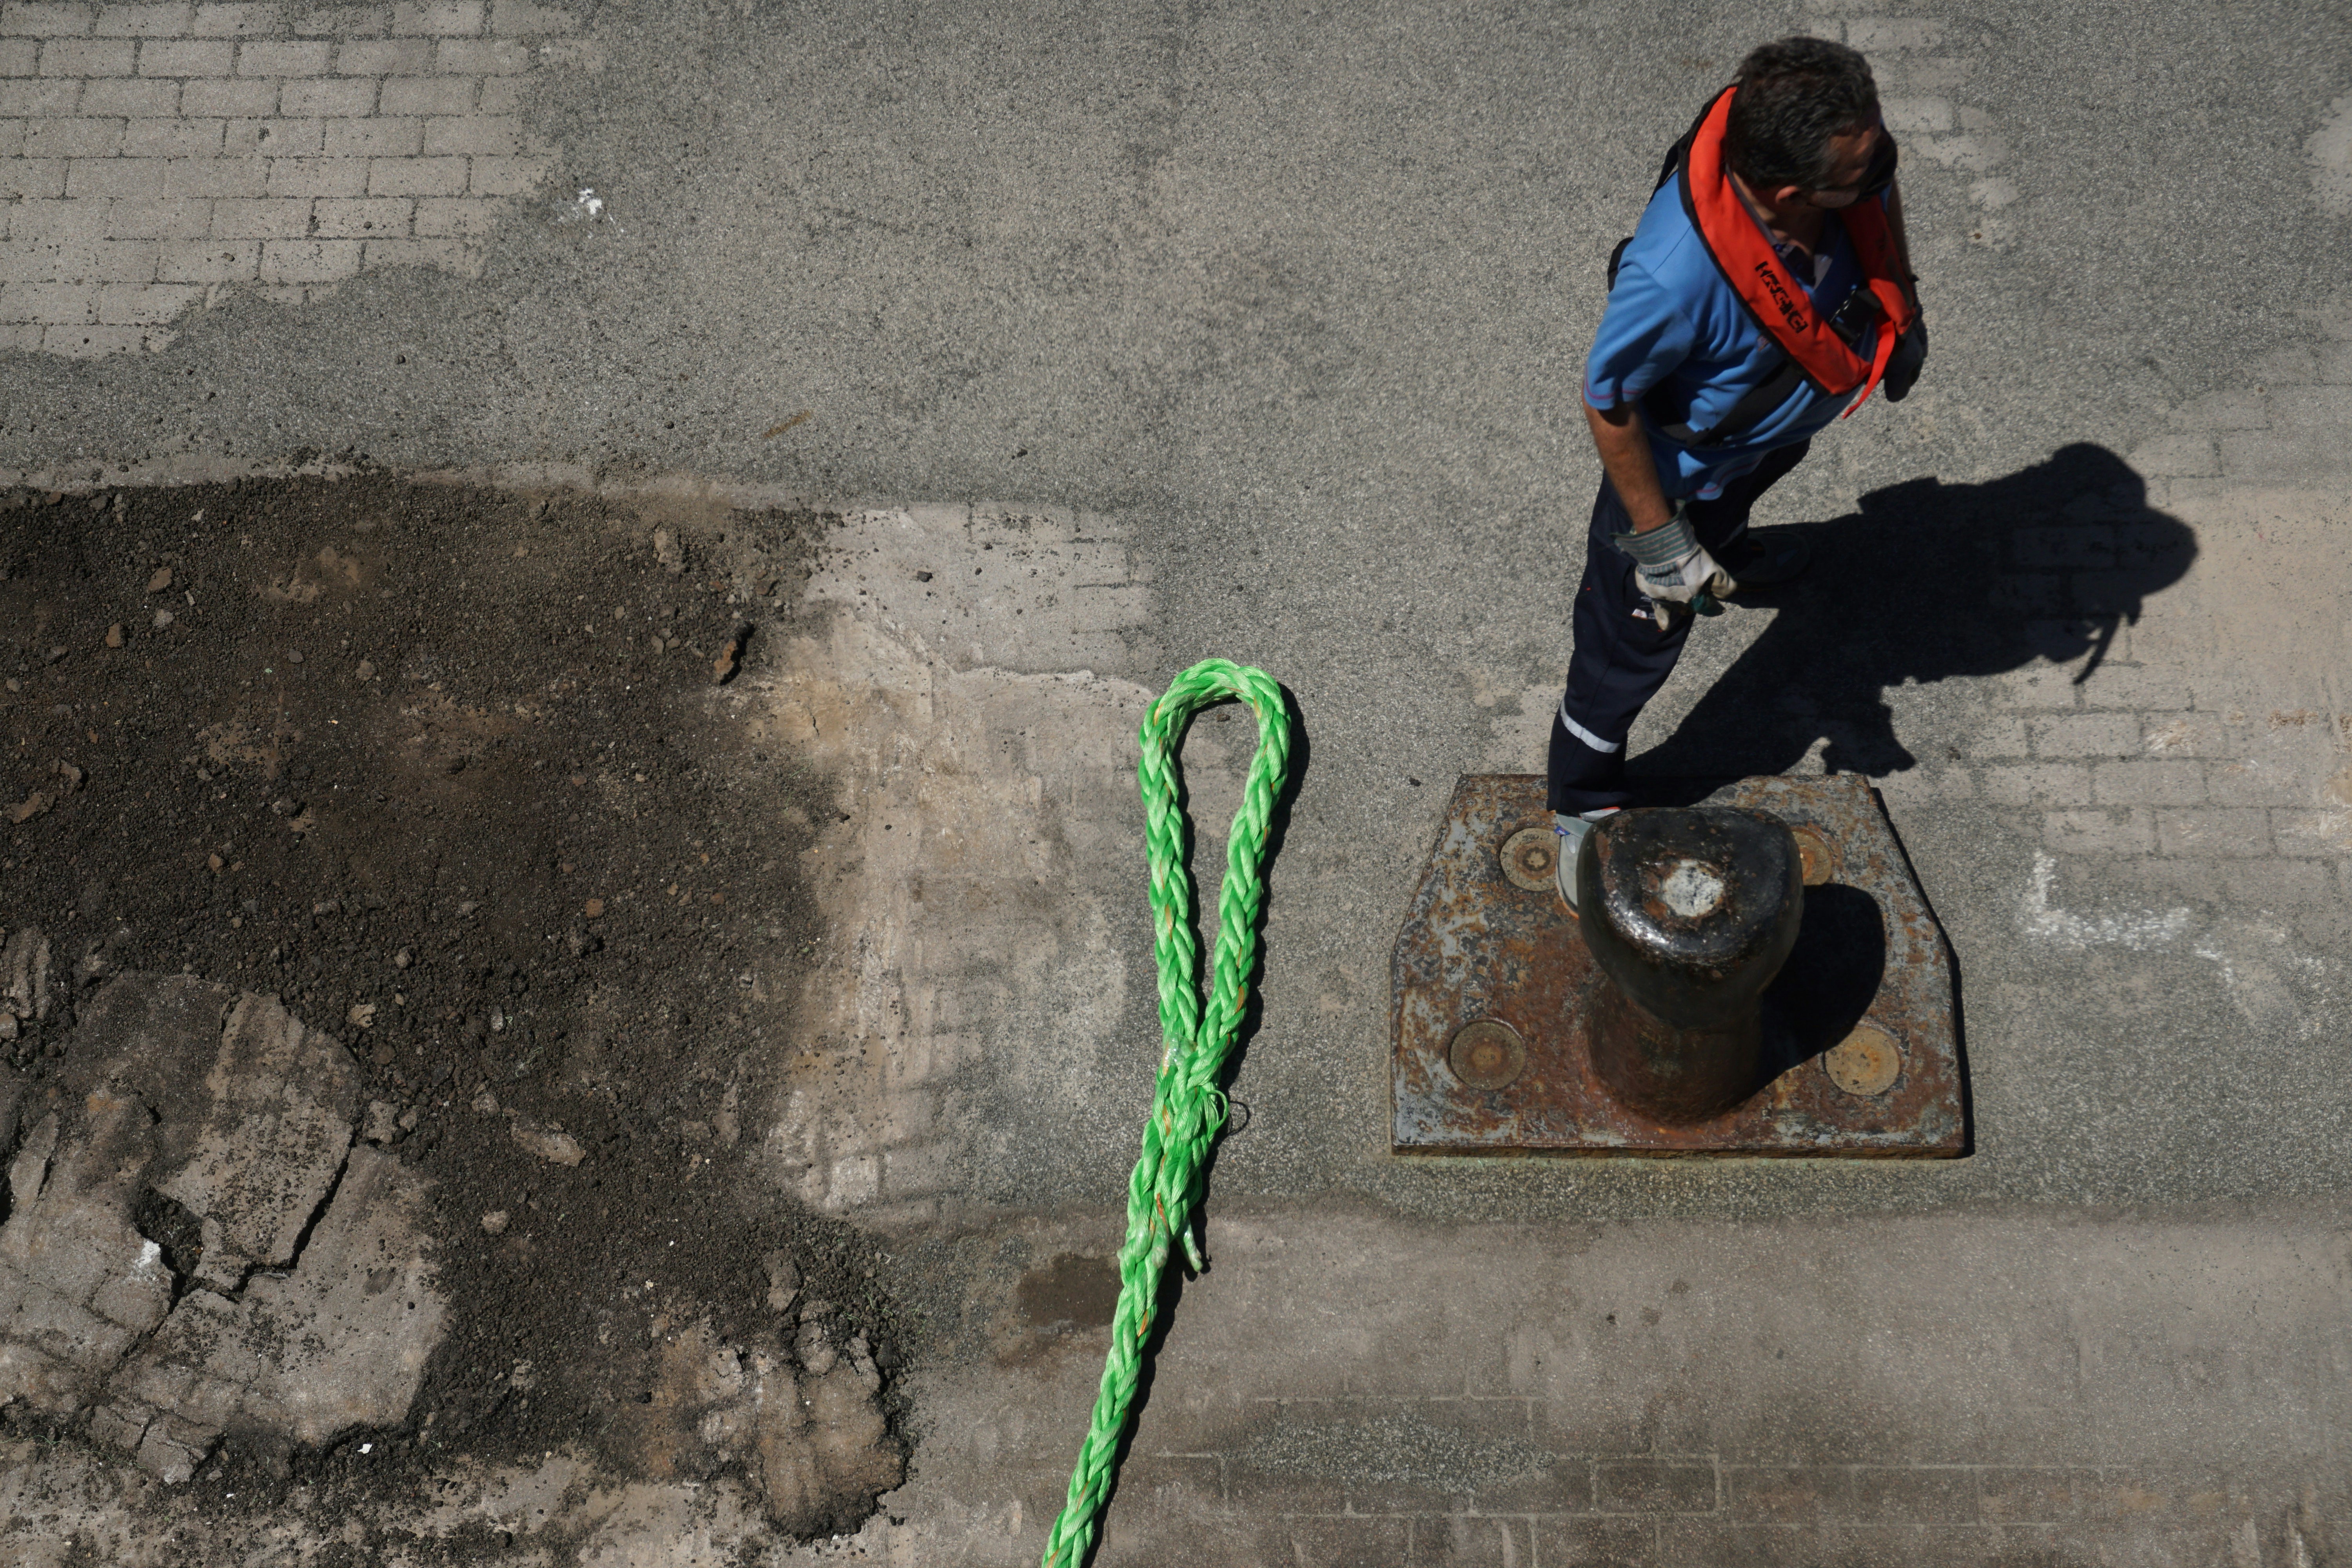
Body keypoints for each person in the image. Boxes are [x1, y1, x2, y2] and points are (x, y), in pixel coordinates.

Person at [1549, 36, 1927, 912]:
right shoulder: (1674, 281)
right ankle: (1581, 794)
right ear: (1794, 194)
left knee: (1751, 487)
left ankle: (1734, 545)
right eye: (1865, 169)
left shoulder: (1833, 163)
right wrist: (1662, 541)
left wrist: (1905, 313)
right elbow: (1609, 404)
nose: (1884, 170)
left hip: (1762, 437)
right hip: (1683, 479)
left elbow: (1878, 207)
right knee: (1628, 648)